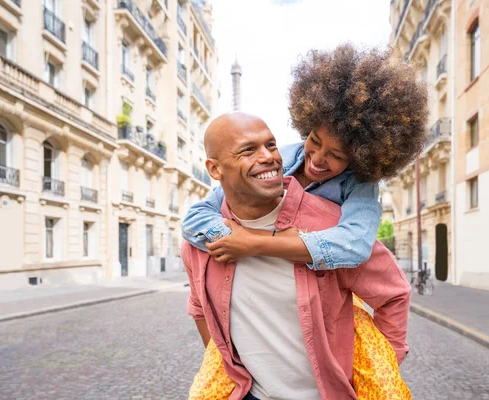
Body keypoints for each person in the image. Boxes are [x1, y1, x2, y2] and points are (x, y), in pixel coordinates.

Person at [182, 112, 412, 400]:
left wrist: (380, 366)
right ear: (214, 169)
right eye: (248, 150)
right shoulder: (203, 238)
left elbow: (388, 287)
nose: (268, 157)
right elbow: (200, 308)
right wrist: (229, 370)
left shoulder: (337, 223)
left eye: (270, 145)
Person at [182, 43, 428, 270]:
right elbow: (195, 218)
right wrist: (230, 240)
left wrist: (254, 243)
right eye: (315, 141)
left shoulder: (359, 184)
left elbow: (355, 245)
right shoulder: (277, 157)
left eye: (336, 155)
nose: (318, 159)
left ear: (360, 156)